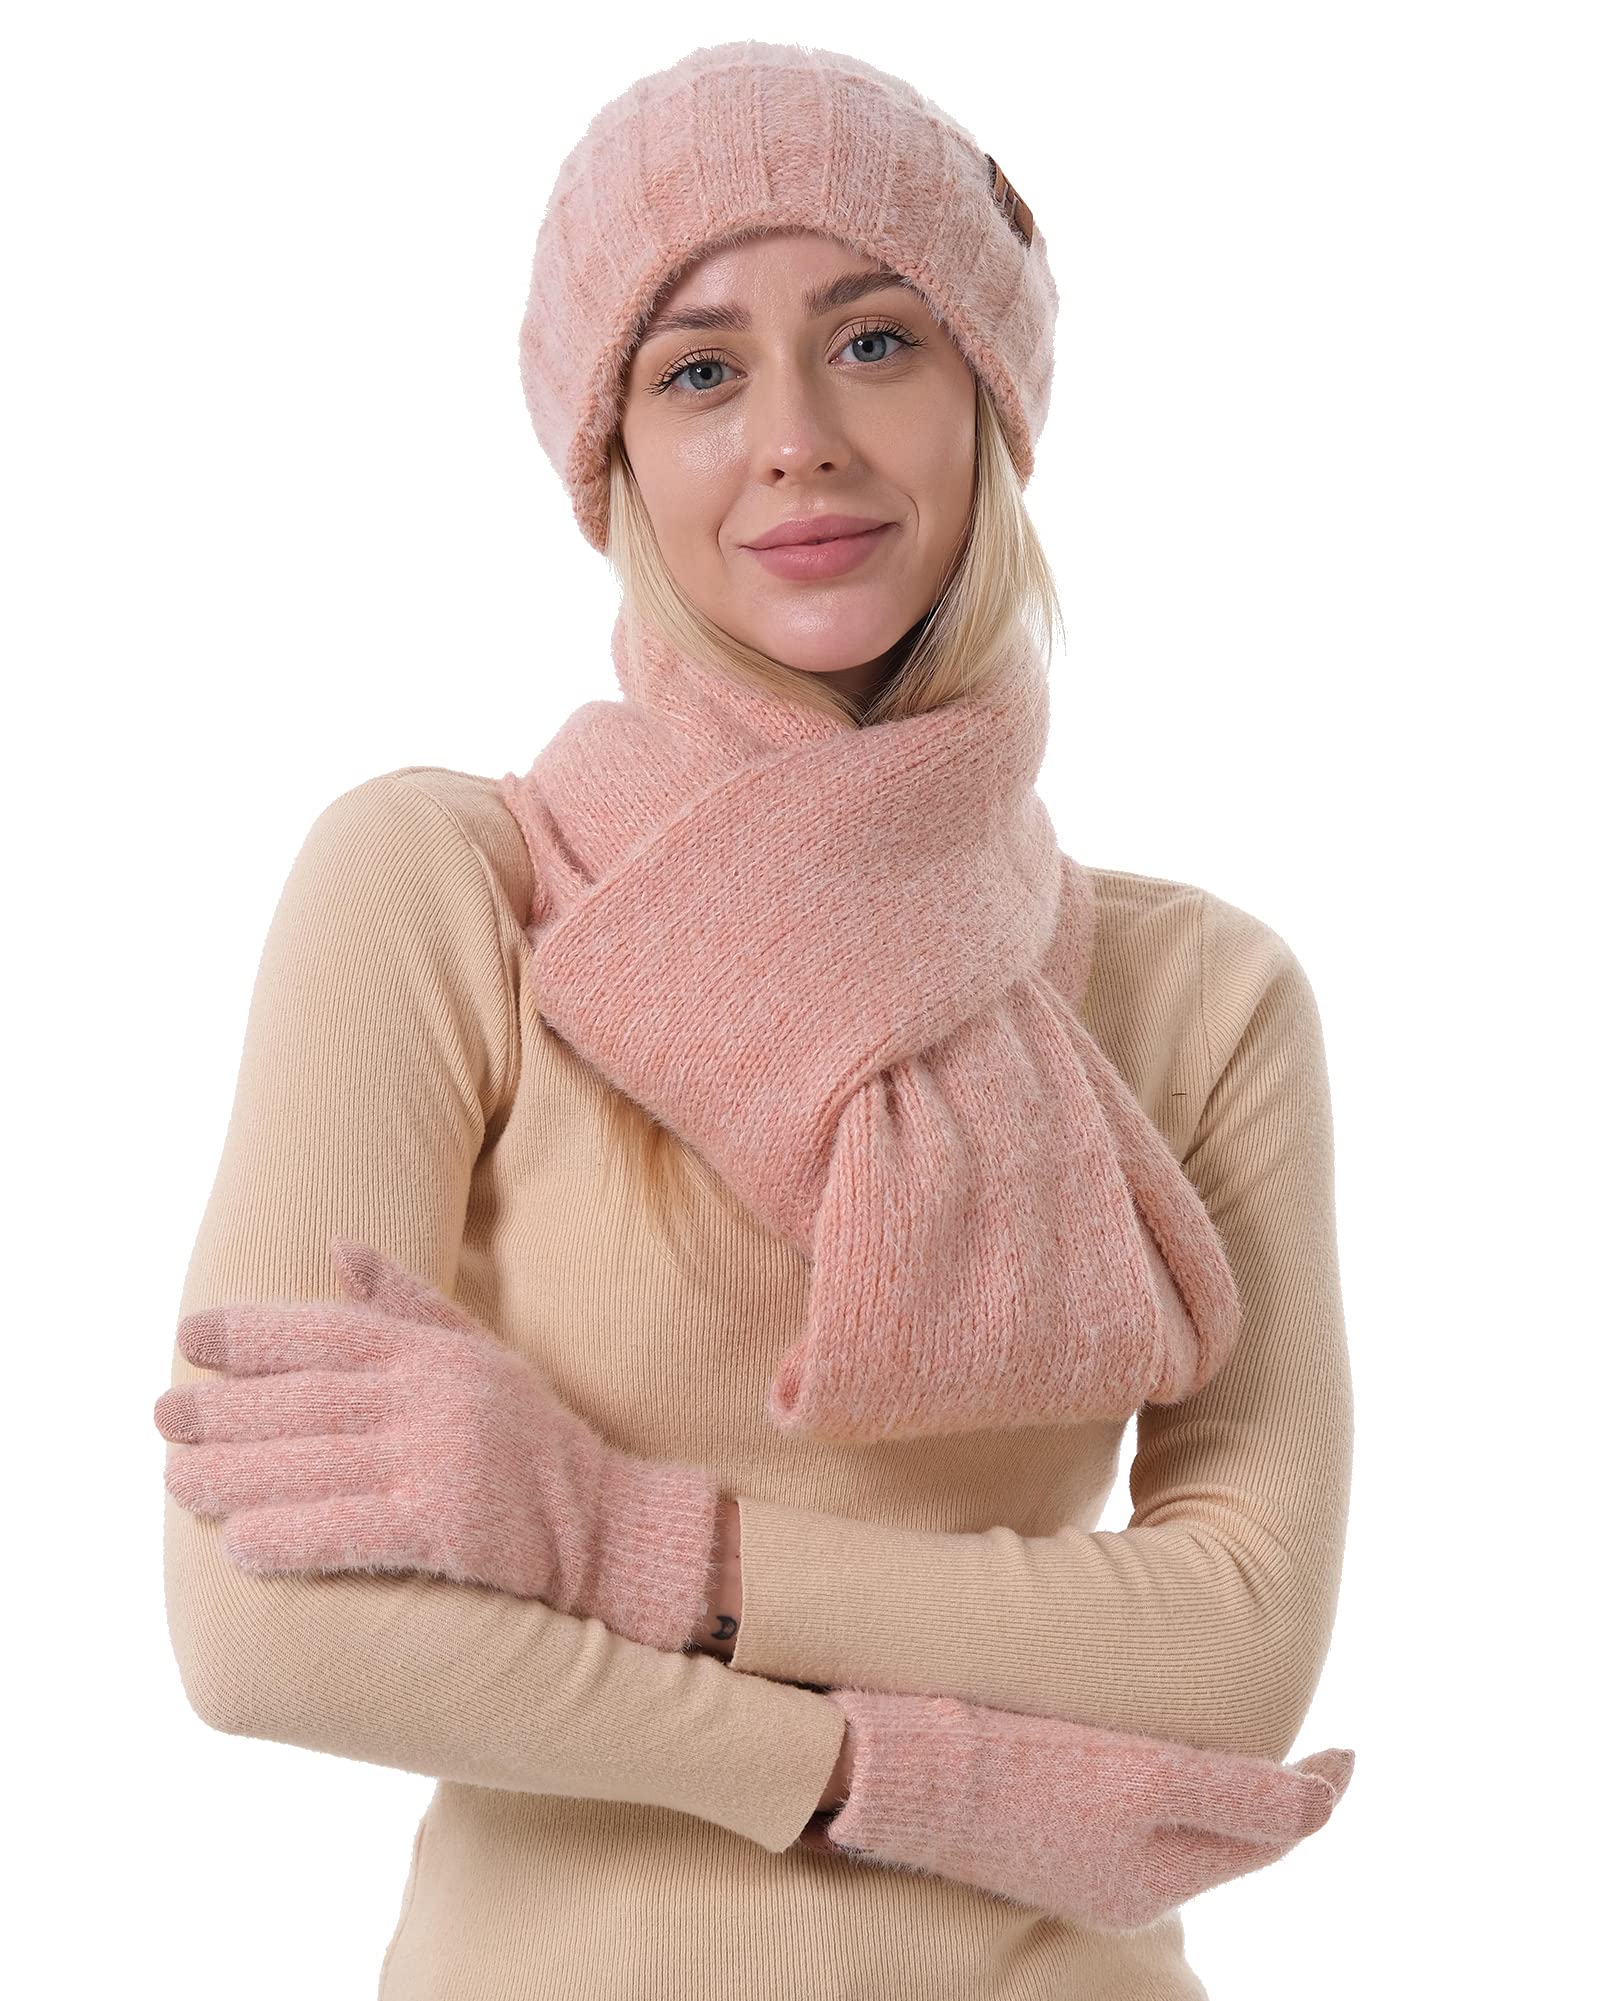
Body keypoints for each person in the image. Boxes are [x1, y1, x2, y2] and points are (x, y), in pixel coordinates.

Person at [152, 40, 1355, 2001]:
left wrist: (636, 1544)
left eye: (875, 341)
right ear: (613, 457)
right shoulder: (447, 890)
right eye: (699, 369)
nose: (796, 437)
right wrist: (866, 1776)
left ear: (991, 399)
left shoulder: (1200, 995)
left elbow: (1235, 1646)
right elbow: (263, 1623)